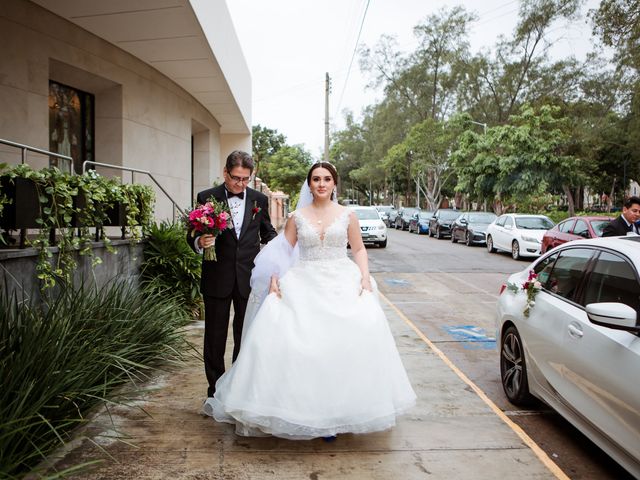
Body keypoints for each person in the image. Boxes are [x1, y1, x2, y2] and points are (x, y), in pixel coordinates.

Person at [202, 162, 416, 439]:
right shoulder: (296, 217)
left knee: (343, 345)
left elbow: (359, 249)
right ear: (310, 184)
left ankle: (339, 413)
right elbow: (282, 250)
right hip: (305, 280)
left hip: (342, 280)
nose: (322, 184)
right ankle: (304, 411)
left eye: (327, 179)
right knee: (299, 344)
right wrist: (275, 277)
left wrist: (364, 277)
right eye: (316, 179)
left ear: (334, 184)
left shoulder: (348, 215)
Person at [187, 150, 277, 400]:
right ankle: (215, 391)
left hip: (249, 278)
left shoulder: (259, 199)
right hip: (217, 277)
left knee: (245, 335)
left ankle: (238, 387)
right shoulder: (206, 197)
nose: (240, 184)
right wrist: (199, 241)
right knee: (214, 338)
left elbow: (267, 232)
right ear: (225, 173)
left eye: (246, 179)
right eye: (236, 178)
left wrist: (279, 250)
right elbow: (191, 234)